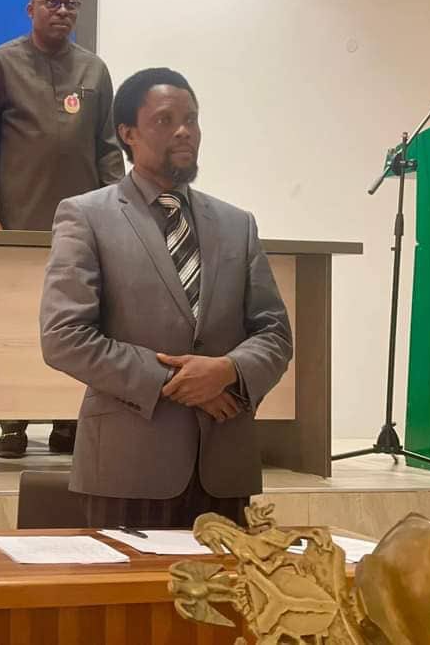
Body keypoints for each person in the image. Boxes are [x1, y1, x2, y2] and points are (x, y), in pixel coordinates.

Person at [39, 67, 292, 528]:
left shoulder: (238, 224)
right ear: (128, 133)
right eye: (165, 120)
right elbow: (64, 337)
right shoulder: (86, 216)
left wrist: (227, 371)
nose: (184, 131)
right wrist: (176, 381)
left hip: (224, 470)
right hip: (127, 469)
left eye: (191, 119)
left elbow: (274, 334)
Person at [0, 0, 125, 458]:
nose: (62, 11)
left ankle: (65, 420)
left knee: (77, 323)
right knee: (17, 324)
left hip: (85, 226)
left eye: (71, 4)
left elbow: (108, 149)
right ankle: (12, 422)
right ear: (30, 10)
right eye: (52, 2)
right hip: (18, 222)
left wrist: (123, 214)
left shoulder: (95, 71)